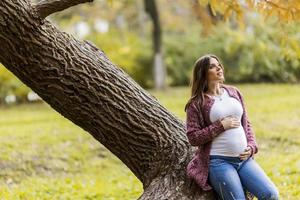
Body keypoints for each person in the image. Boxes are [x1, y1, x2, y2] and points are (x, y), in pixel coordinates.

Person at [184, 54, 279, 200]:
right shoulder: (196, 103)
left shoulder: (233, 92)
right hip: (218, 163)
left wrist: (252, 146)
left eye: (219, 65)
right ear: (202, 73)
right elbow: (193, 137)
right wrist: (220, 126)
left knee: (271, 195)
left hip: (244, 160)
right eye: (212, 66)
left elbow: (246, 123)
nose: (218, 68)